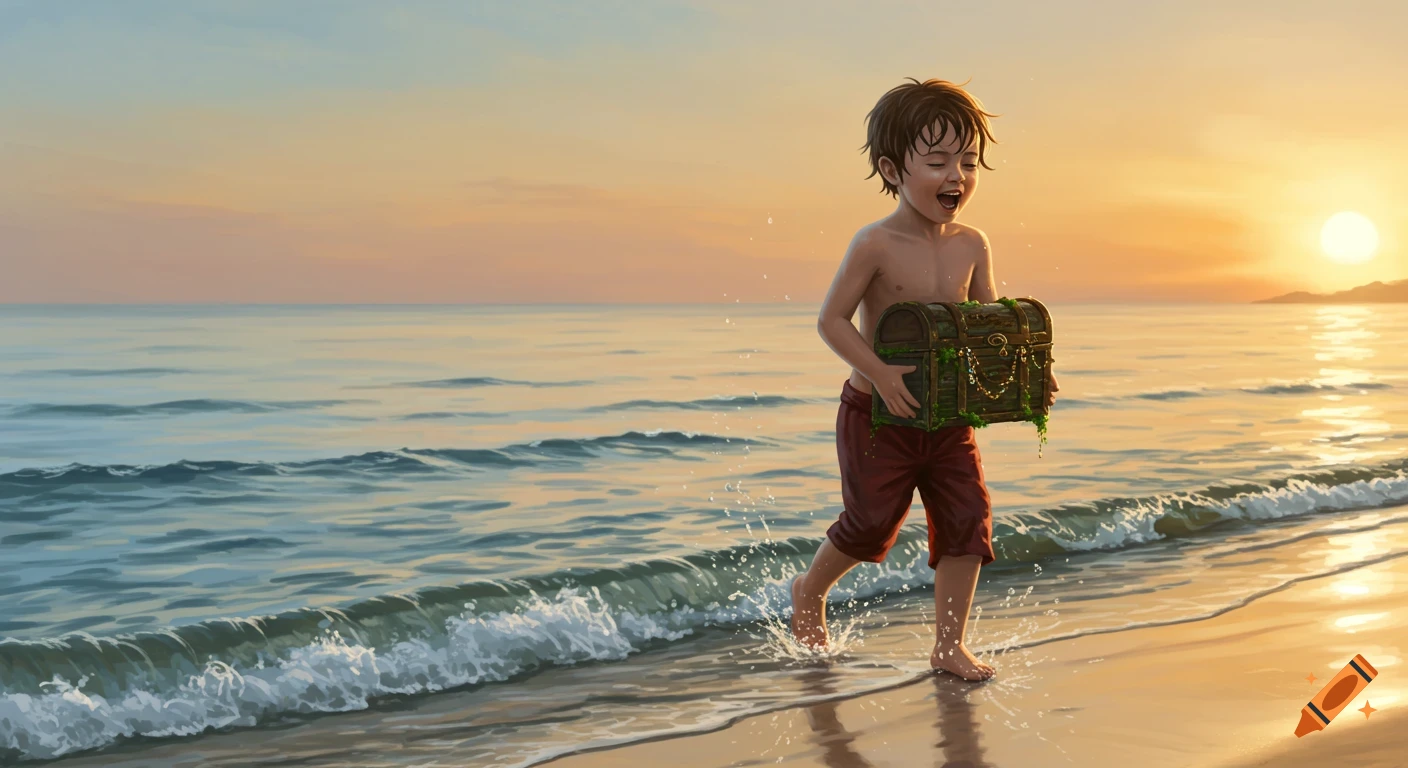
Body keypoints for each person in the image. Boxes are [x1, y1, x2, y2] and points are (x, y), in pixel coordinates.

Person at [789, 77, 1059, 681]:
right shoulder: (875, 243)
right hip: (878, 416)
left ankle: (948, 647)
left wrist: (1027, 371)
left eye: (967, 161)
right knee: (868, 526)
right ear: (892, 167)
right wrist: (879, 373)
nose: (955, 176)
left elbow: (991, 326)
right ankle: (809, 590)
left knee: (968, 524)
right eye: (936, 161)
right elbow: (831, 320)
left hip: (947, 417)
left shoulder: (972, 244)